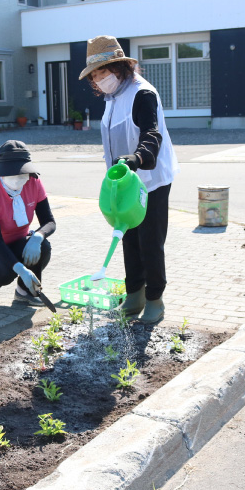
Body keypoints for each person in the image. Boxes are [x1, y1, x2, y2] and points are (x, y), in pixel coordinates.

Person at [79, 35, 180, 323]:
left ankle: (155, 299)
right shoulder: (113, 98)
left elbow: (152, 133)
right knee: (127, 238)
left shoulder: (141, 93)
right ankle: (134, 294)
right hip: (124, 182)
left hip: (150, 180)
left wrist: (137, 158)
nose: (99, 80)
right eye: (95, 75)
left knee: (150, 241)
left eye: (103, 71)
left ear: (120, 66)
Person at [0, 140, 56, 309]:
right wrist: (21, 269)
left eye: (23, 174)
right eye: (12, 175)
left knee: (43, 247)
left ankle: (24, 292)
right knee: (5, 271)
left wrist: (37, 237)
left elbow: (49, 221)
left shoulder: (34, 183)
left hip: (14, 241)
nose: (18, 180)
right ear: (1, 173)